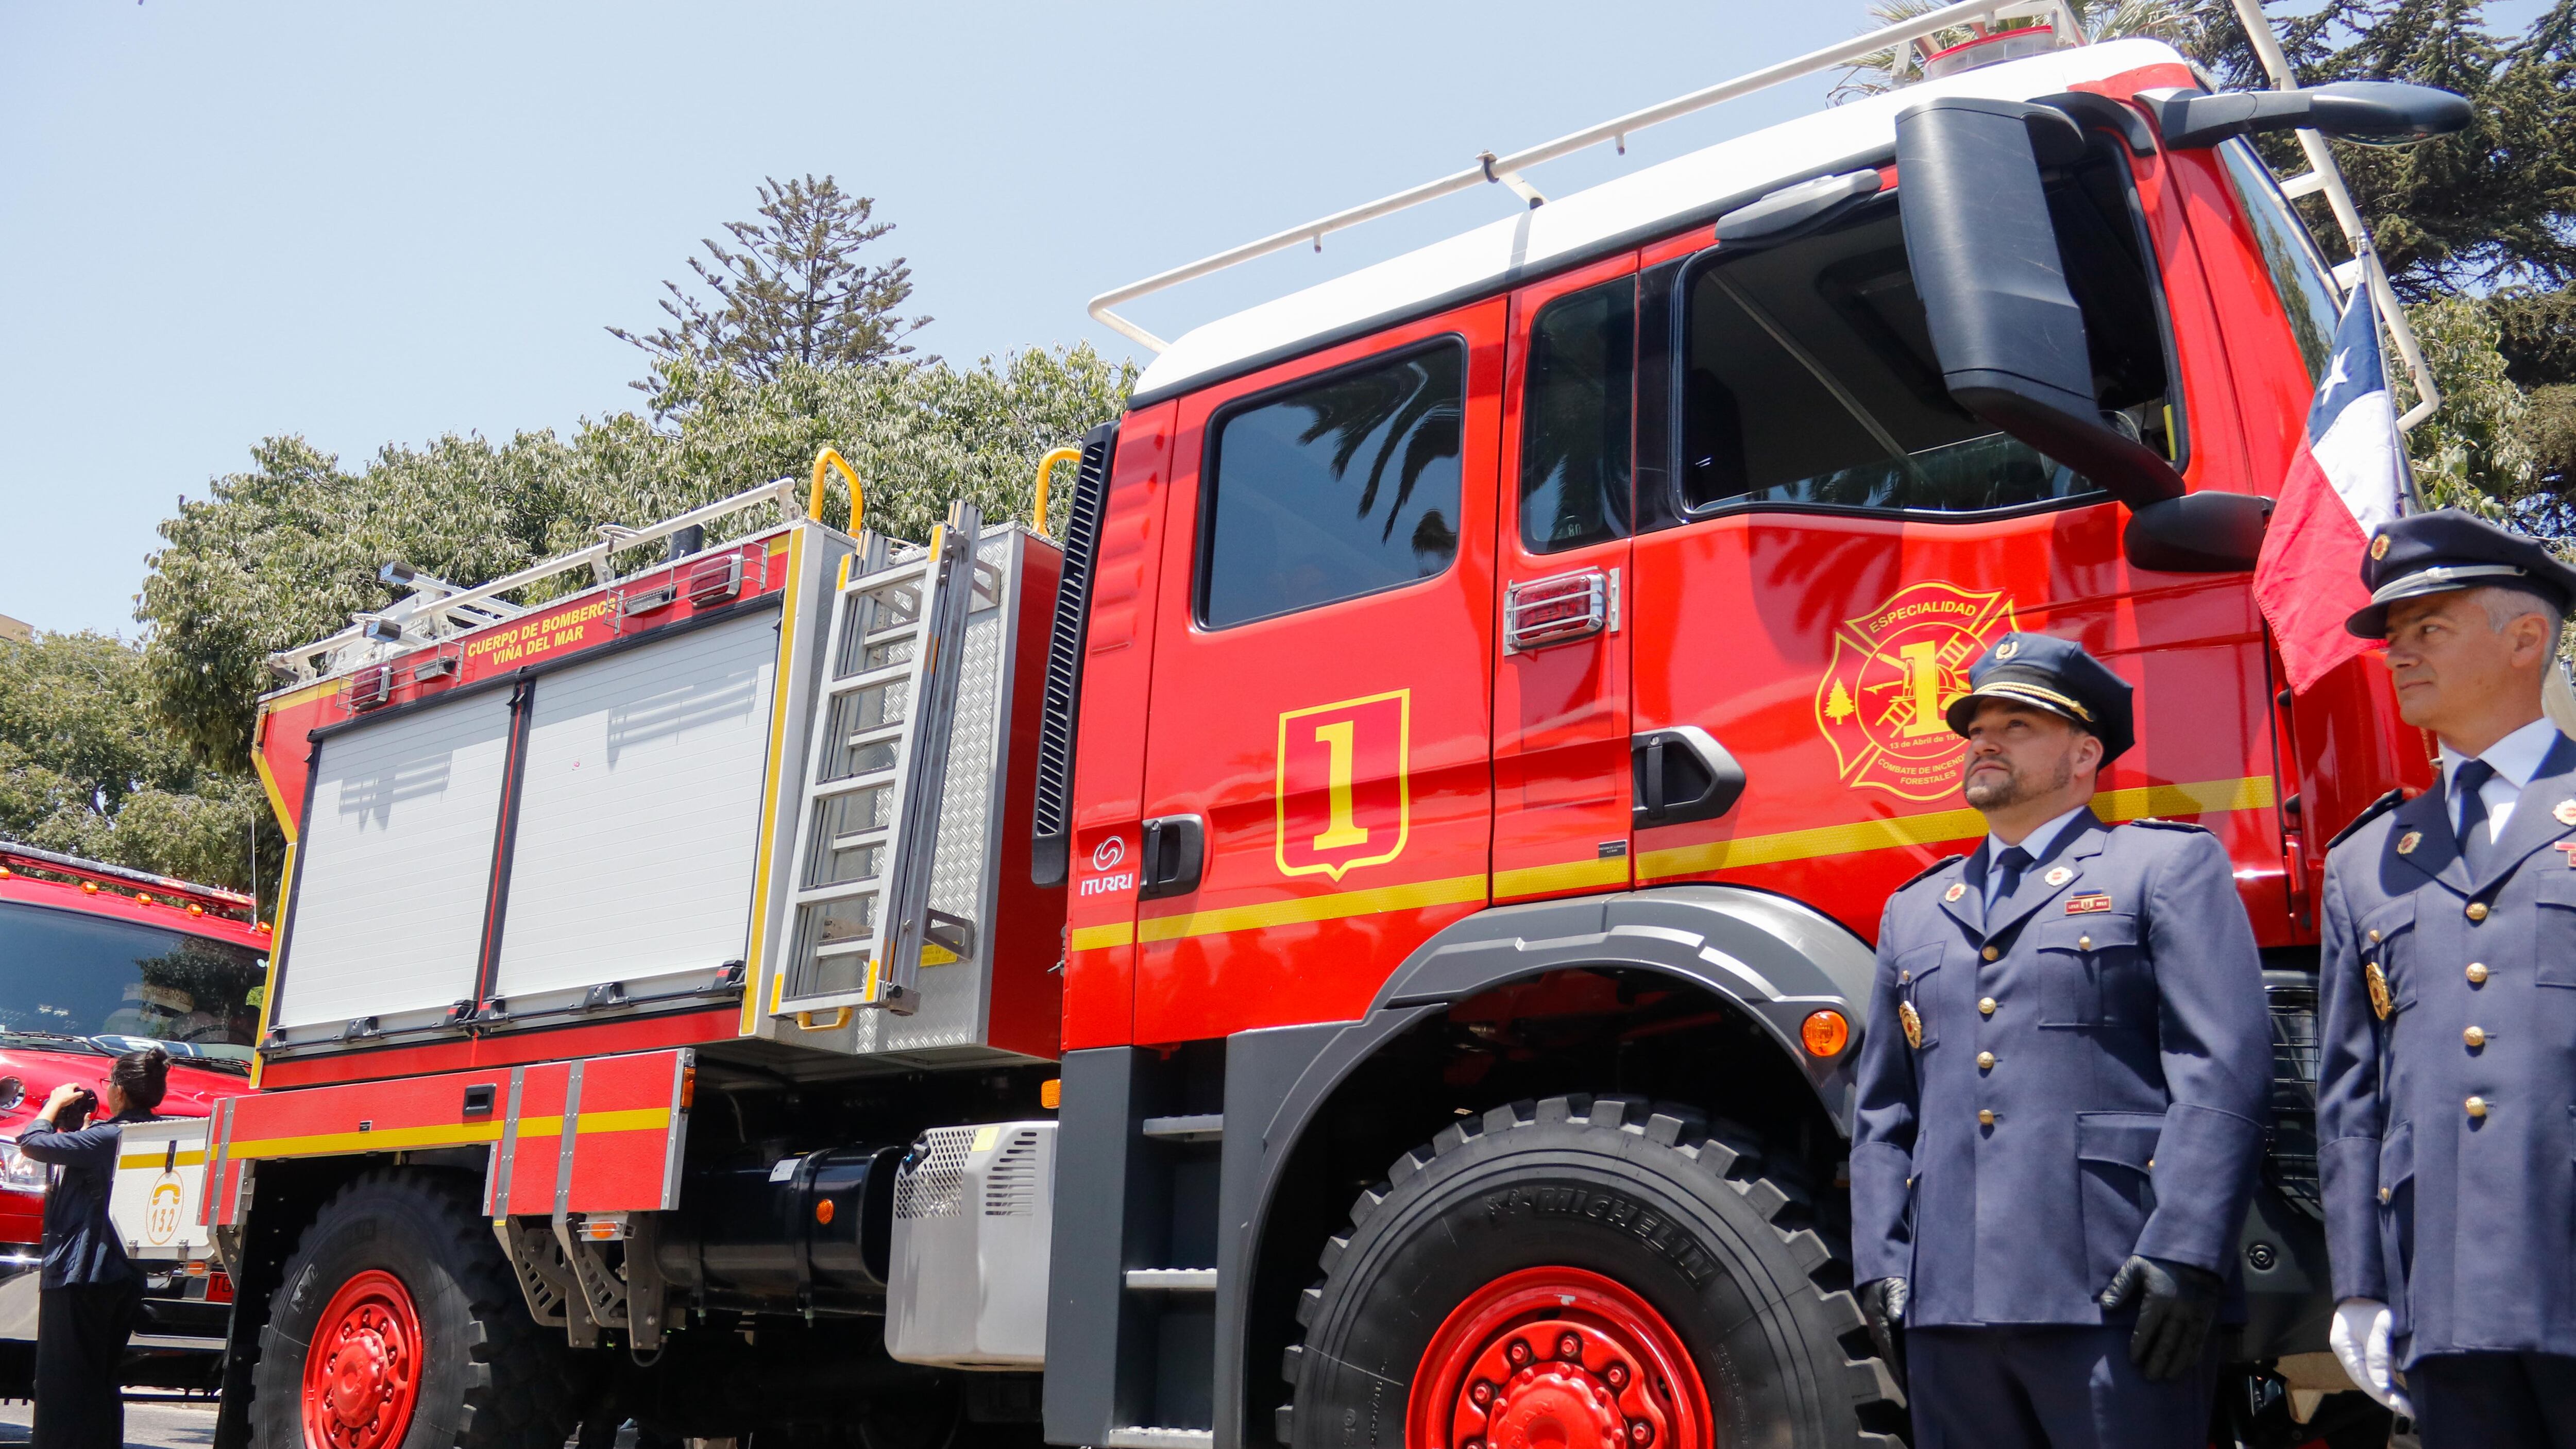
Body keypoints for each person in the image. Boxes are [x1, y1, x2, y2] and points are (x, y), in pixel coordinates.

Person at [1849, 633, 2272, 1449]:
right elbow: (1883, 1114)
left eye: (2017, 725)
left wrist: (2188, 1251)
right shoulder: (1916, 909)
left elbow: (2222, 1071)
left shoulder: (2160, 867)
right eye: (1977, 728)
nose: (1985, 741)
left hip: (2113, 1292)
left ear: (2084, 754)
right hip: (1948, 1310)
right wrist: (1882, 1263)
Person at [2315, 509, 2576, 1446]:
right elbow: (2351, 1093)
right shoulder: (2368, 860)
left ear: (2525, 638)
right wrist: (2359, 1284)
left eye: (2430, 626)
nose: (2400, 652)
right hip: (2449, 1291)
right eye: (2393, 634)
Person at [16, 1046, 168, 1449]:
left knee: (63, 1386)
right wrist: (82, 1132)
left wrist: (52, 1104)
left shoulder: (109, 1136)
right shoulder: (152, 1133)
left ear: (119, 1090)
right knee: (100, 1380)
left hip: (81, 1272)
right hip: (125, 1274)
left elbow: (31, 1142)